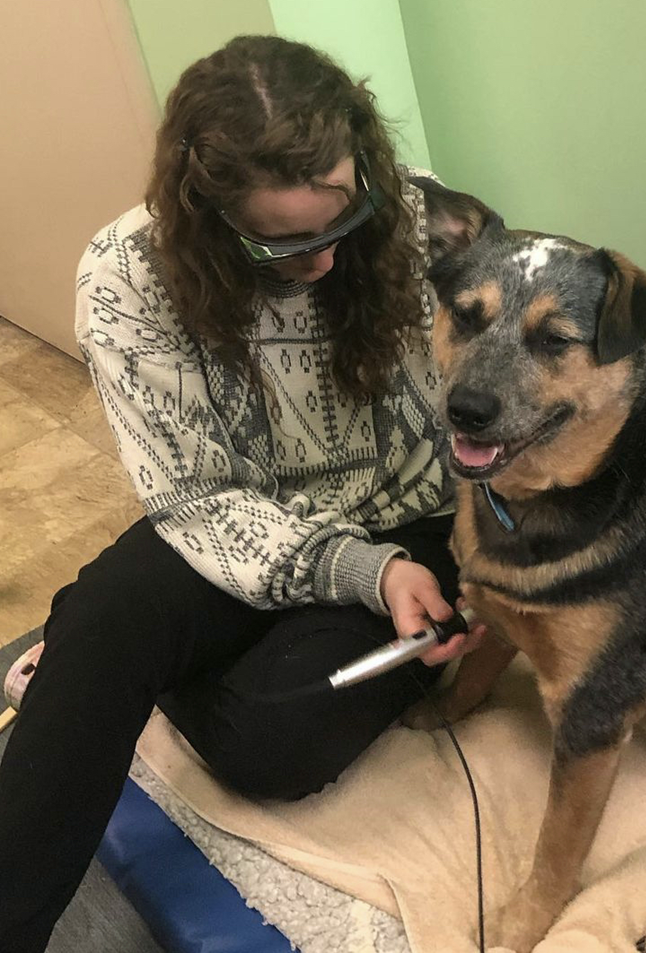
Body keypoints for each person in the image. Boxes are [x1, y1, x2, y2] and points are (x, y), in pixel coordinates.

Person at [0, 34, 484, 953]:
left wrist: (480, 564)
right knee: (107, 624)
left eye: (340, 226)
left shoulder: (430, 223)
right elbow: (194, 499)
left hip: (404, 527)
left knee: (275, 739)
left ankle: (103, 669)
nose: (323, 264)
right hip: (229, 521)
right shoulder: (126, 276)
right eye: (283, 243)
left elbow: (503, 406)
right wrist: (348, 570)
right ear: (202, 211)